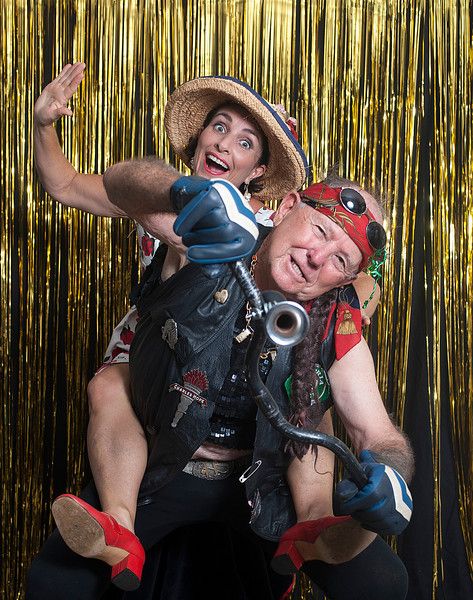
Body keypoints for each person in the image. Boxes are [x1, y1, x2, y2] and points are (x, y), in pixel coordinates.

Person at [31, 65, 381, 590]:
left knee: (311, 391)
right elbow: (65, 183)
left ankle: (313, 522)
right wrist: (43, 126)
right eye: (219, 127)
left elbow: (353, 276)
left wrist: (353, 299)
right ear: (198, 137)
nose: (224, 144)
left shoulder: (275, 229)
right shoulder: (162, 198)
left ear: (259, 172)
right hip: (158, 353)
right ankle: (120, 522)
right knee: (110, 384)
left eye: (245, 141)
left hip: (241, 379)